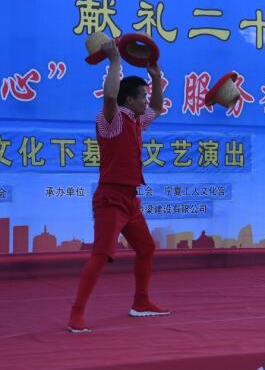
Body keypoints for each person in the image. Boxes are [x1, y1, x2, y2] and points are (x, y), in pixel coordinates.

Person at [68, 39, 169, 333]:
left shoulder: (137, 120)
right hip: (110, 199)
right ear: (130, 100)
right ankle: (77, 313)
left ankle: (141, 302)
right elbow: (111, 96)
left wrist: (155, 76)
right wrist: (114, 61)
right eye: (142, 97)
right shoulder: (110, 119)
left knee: (146, 248)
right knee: (101, 256)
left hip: (131, 200)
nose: (146, 102)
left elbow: (158, 107)